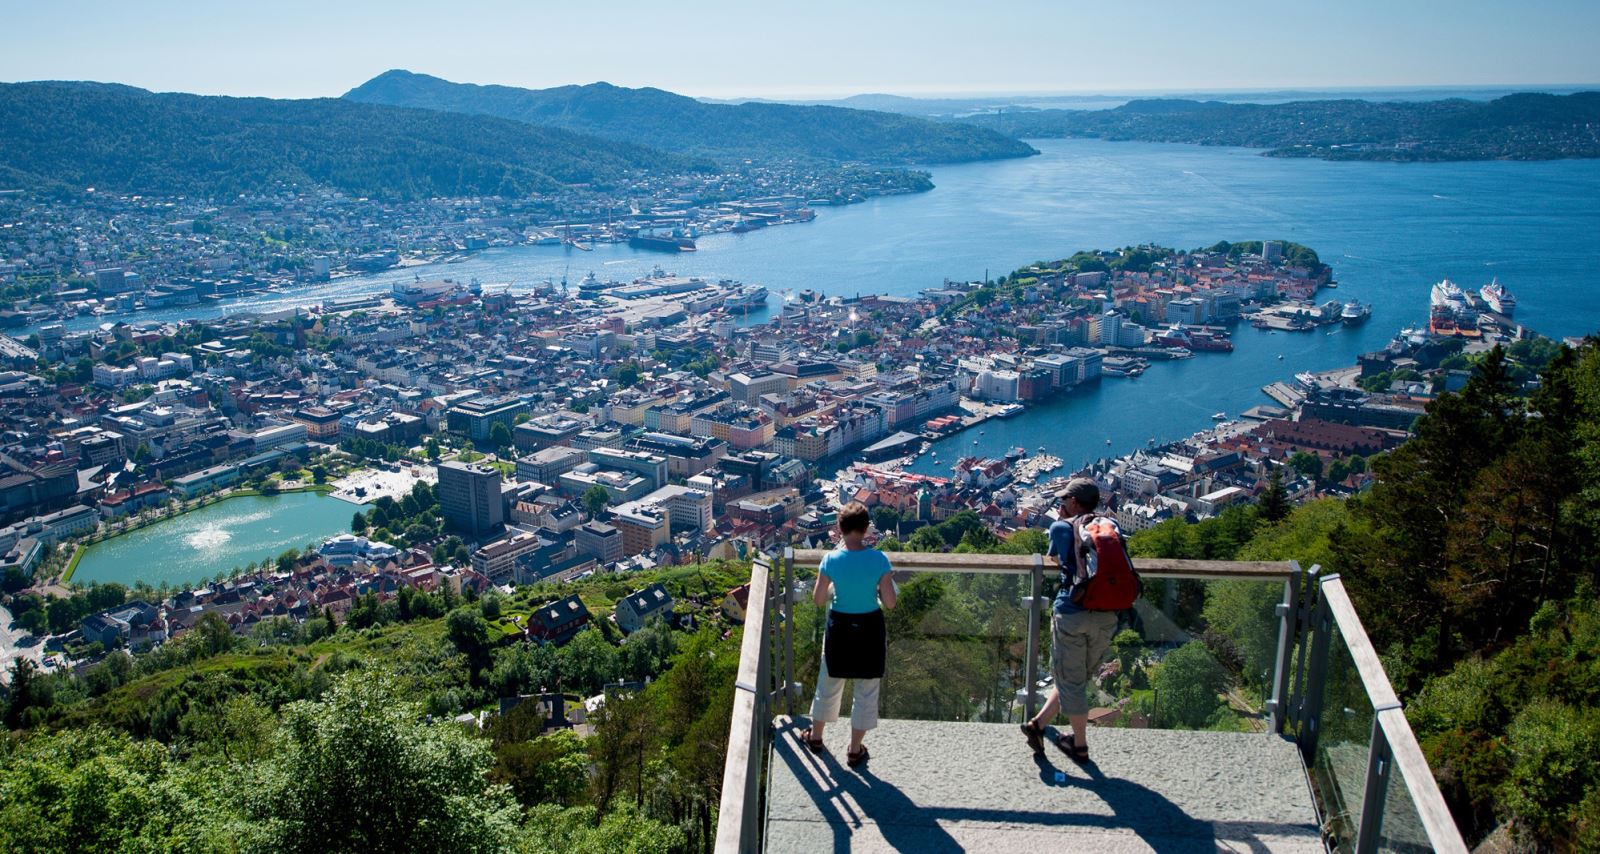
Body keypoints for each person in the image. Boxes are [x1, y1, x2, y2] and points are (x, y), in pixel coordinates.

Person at [1020, 477, 1119, 763]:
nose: (1061, 503)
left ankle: (1079, 744)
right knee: (1074, 678)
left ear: (1074, 502)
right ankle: (1037, 724)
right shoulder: (1110, 526)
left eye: (1064, 499)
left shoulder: (1061, 527)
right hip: (1106, 613)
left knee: (1071, 680)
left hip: (1073, 612)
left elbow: (1057, 561)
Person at [798, 501, 897, 768]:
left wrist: (835, 589)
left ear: (840, 529)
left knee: (828, 683)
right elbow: (889, 602)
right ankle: (854, 749)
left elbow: (819, 599)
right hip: (870, 628)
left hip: (839, 627)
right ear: (866, 529)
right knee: (866, 689)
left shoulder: (830, 559)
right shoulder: (879, 560)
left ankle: (816, 737)